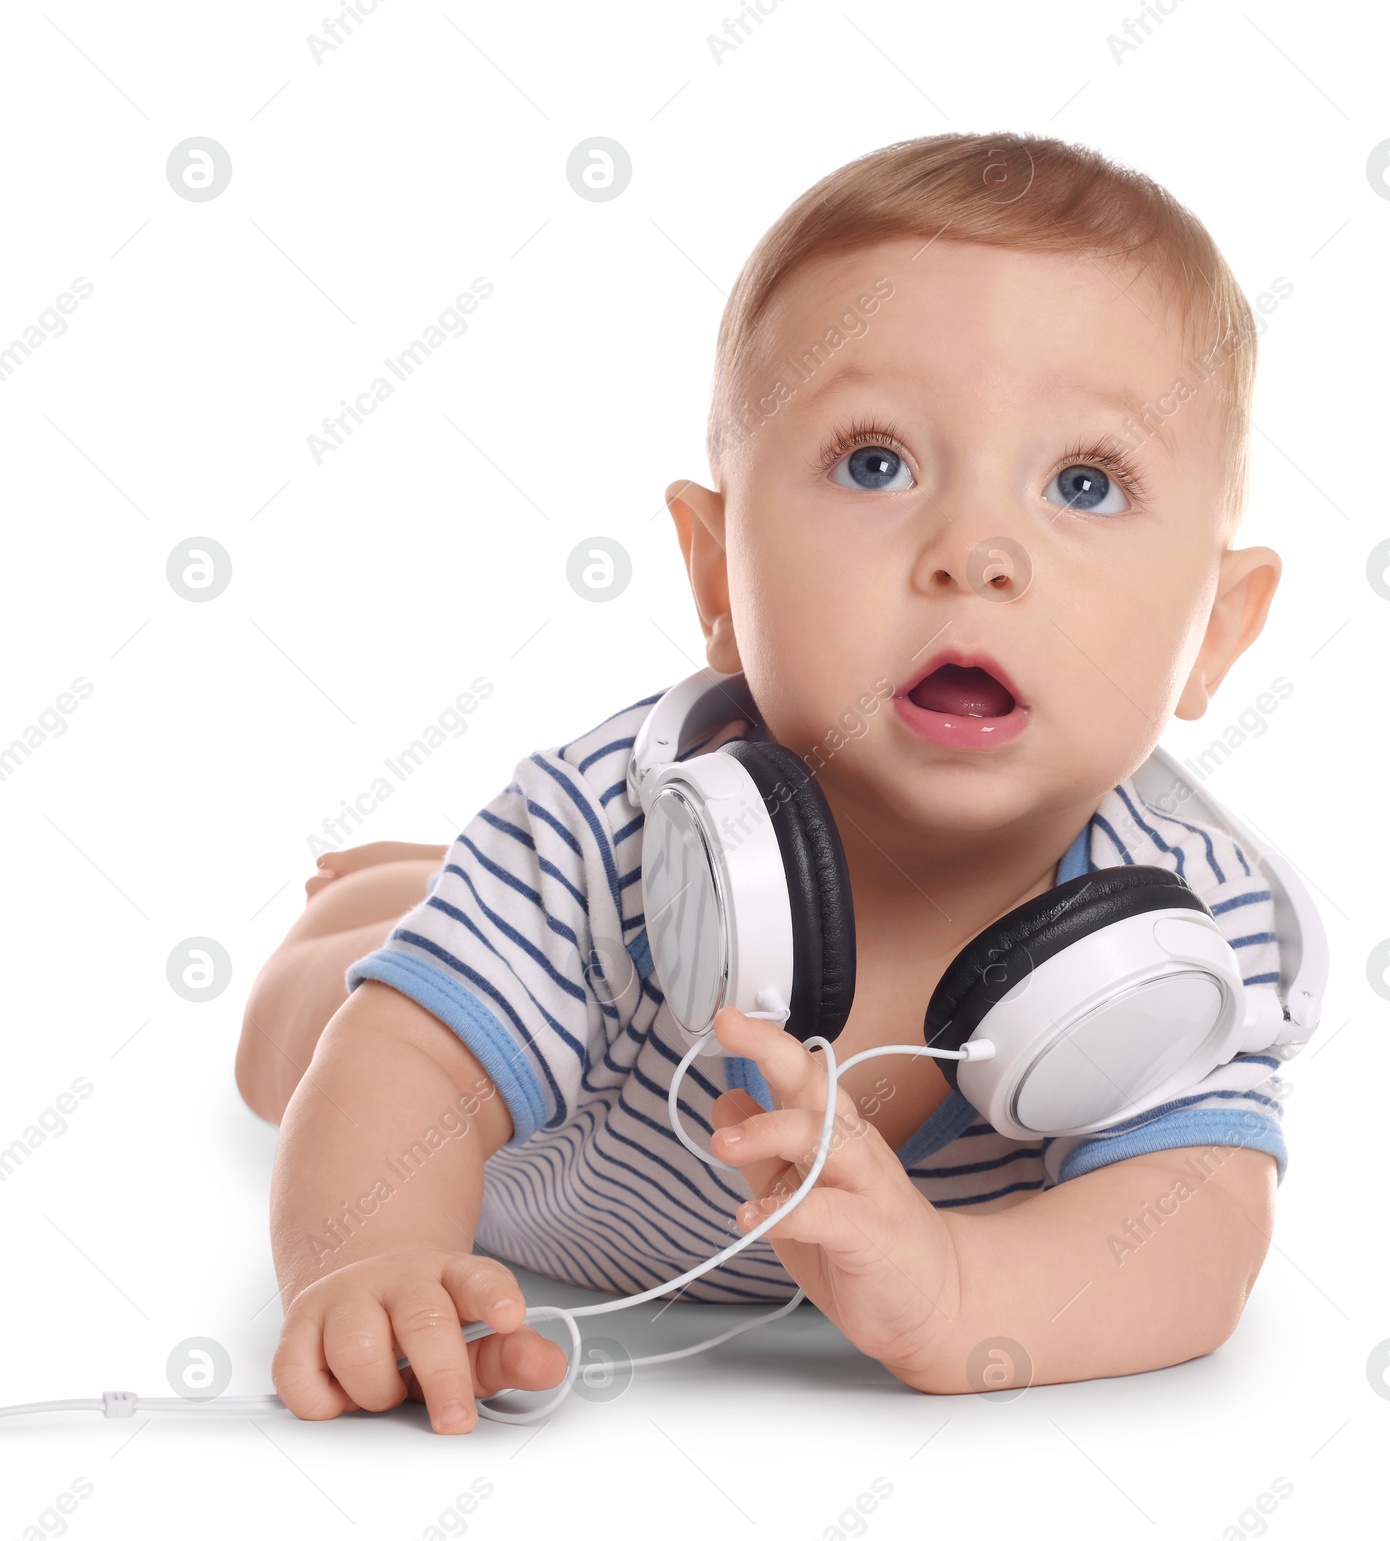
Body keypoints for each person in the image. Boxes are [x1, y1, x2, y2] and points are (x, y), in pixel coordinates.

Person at [237, 131, 1291, 1433]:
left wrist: (961, 1290)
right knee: (319, 1022)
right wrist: (368, 1256)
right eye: (876, 463)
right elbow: (407, 1063)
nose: (977, 550)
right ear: (718, 573)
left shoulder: (1177, 933)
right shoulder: (600, 834)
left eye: (1086, 480)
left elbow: (1196, 1230)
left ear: (1220, 630)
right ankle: (409, 909)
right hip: (557, 1185)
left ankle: (436, 895)